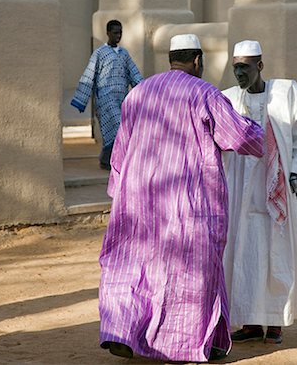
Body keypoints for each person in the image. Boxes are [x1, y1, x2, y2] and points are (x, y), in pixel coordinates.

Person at [98, 34, 264, 363]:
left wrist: (119, 195)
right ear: (198, 61)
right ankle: (187, 343)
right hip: (189, 205)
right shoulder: (205, 94)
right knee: (190, 270)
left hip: (138, 202)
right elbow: (240, 136)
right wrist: (265, 132)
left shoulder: (138, 93)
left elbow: (119, 154)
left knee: (132, 267)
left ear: (171, 58)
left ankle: (121, 331)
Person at [222, 40, 297, 344]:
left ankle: (275, 322)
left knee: (275, 255)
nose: (239, 72)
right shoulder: (227, 99)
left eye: (245, 67)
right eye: (235, 66)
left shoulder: (286, 94)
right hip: (241, 194)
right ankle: (250, 322)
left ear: (259, 66)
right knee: (244, 254)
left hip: (277, 192)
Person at [71, 19, 143, 170]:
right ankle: (117, 162)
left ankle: (106, 160)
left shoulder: (124, 54)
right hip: (105, 99)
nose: (118, 36)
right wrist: (81, 100)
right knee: (118, 126)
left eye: (120, 33)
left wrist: (146, 89)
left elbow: (134, 73)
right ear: (108, 33)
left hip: (122, 99)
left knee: (115, 130)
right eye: (115, 33)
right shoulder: (100, 53)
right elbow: (88, 75)